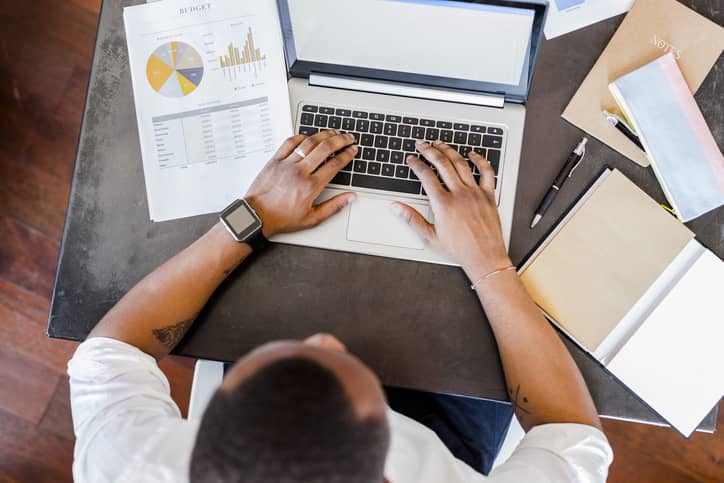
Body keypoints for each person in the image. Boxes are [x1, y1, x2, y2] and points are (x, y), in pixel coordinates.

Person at [68, 130, 613, 482]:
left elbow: (111, 354)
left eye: (280, 368)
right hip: (451, 436)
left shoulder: (131, 466)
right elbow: (572, 436)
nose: (326, 339)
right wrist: (489, 262)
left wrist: (252, 216)